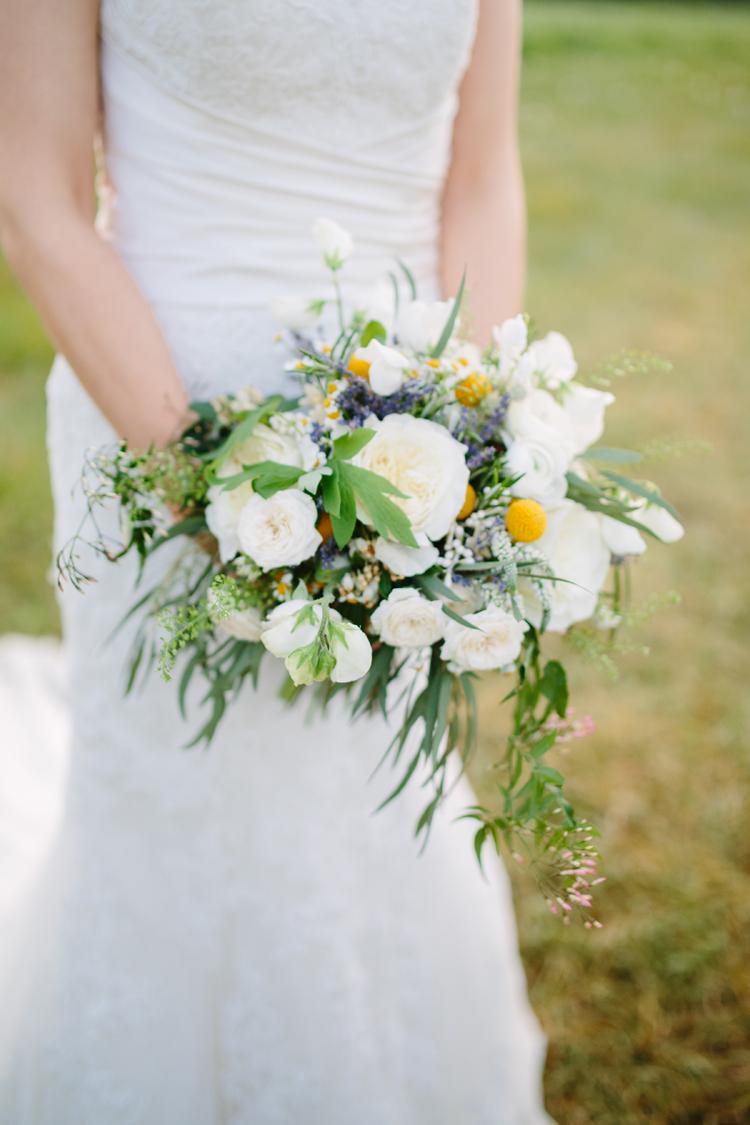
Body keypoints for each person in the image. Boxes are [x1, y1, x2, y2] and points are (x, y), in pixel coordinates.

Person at [0, 1, 551, 1120]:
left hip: (406, 451)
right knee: (178, 792)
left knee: (366, 789)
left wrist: (465, 445)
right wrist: (203, 481)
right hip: (152, 414)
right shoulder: (174, 463)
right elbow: (33, 194)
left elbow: (482, 176)